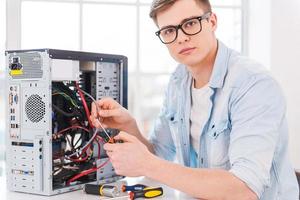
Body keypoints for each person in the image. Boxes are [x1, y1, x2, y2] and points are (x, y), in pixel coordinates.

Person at [90, 0, 299, 199]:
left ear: (212, 22)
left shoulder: (253, 84)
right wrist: (129, 125)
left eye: (190, 24)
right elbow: (159, 155)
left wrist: (148, 165)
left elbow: (244, 189)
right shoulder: (178, 81)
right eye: (169, 31)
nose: (181, 38)